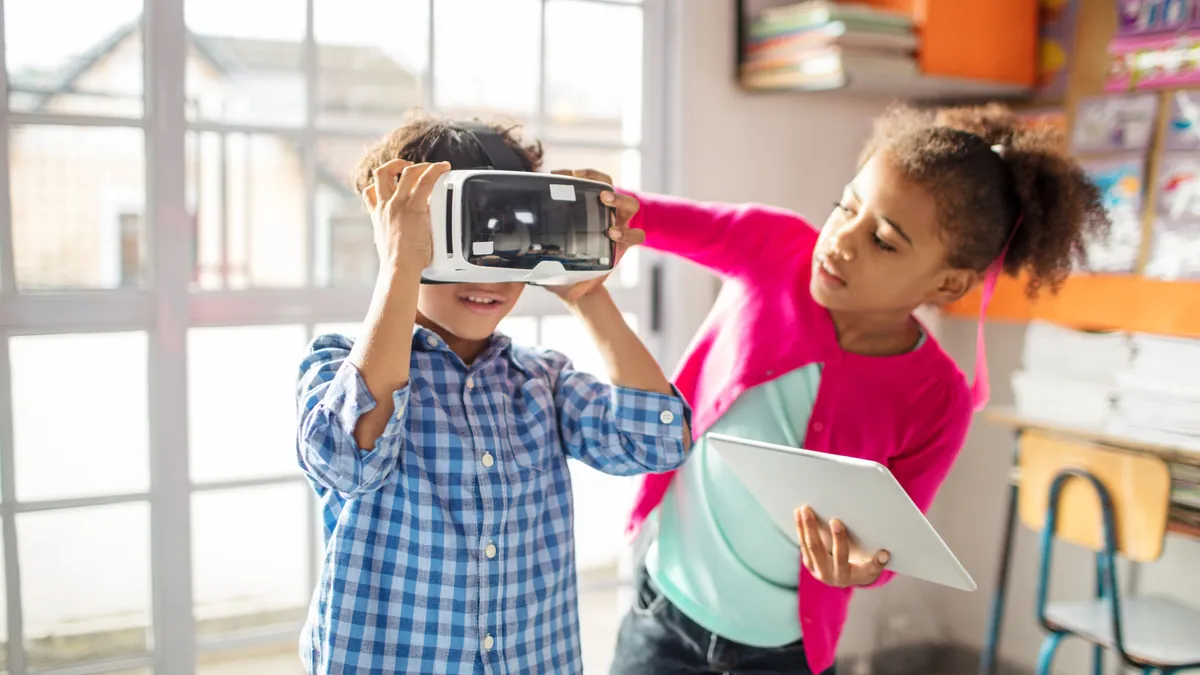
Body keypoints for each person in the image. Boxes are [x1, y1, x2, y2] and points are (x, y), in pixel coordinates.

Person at [591, 103, 1109, 675]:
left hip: (783, 656)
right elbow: (638, 216)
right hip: (663, 615)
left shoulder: (939, 400)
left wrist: (863, 566)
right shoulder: (772, 248)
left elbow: (888, 543)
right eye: (846, 206)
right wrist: (599, 203)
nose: (840, 241)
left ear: (947, 282)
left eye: (884, 240)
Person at [294, 115, 692, 675]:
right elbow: (348, 461)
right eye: (458, 242)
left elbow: (659, 442)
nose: (491, 273)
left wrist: (588, 296)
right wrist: (401, 268)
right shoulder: (338, 365)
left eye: (510, 242)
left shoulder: (541, 382)